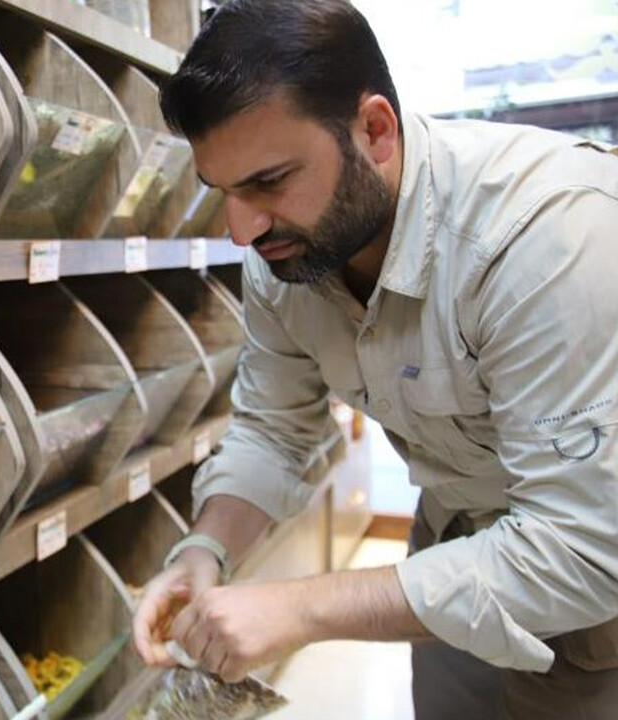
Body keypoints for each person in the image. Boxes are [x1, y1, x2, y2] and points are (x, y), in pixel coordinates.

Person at [131, 1, 618, 718]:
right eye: (224, 193)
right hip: (455, 540)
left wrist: (305, 607)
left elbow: (582, 550)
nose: (241, 230)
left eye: (268, 181)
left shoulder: (542, 236)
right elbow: (271, 427)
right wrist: (206, 547)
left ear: (376, 132)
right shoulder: (285, 254)